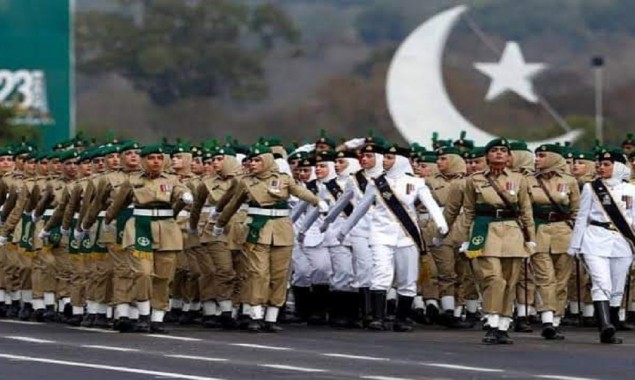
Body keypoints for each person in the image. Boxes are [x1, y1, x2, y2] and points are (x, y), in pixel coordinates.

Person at [336, 144, 448, 332]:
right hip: (380, 234)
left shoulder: (417, 183)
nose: (385, 161)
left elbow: (431, 205)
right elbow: (360, 209)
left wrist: (441, 224)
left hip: (406, 236)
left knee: (407, 278)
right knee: (381, 273)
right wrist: (344, 229)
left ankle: (401, 319)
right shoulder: (376, 184)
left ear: (401, 161)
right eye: (385, 157)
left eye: (390, 158)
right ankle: (378, 318)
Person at [214, 145, 324, 332]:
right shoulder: (246, 182)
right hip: (258, 229)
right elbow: (233, 205)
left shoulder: (283, 179)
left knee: (279, 274)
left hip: (282, 230)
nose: (253, 164)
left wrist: (317, 201)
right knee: (257, 273)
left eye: (258, 160)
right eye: (251, 161)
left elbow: (299, 191)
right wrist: (219, 223)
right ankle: (255, 315)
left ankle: (271, 316)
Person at [103, 144, 193, 333]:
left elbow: (180, 192)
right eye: (151, 158)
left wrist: (185, 196)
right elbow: (118, 204)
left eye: (159, 158)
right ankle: (143, 314)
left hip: (167, 230)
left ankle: (157, 317)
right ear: (144, 160)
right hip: (140, 227)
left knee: (163, 276)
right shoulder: (133, 181)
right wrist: (108, 221)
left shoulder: (171, 179)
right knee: (142, 273)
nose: (156, 162)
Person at [461, 138, 536, 345]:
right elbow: (468, 210)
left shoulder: (519, 179)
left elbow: (526, 210)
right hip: (486, 231)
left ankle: (503, 324)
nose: (499, 154)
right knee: (494, 279)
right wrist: (465, 238)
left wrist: (531, 238)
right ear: (487, 156)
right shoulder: (474, 180)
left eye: (503, 150)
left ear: (509, 156)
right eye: (494, 150)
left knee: (511, 281)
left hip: (512, 231)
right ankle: (492, 321)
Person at [568, 148, 635, 344]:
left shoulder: (631, 189)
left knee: (617, 286)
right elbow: (582, 218)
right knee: (601, 283)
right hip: (595, 239)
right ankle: (604, 325)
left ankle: (612, 323)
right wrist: (575, 245)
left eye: (607, 164)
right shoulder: (592, 188)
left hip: (622, 242)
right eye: (599, 164)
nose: (601, 167)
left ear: (619, 166)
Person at [528, 144, 580, 340]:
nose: (537, 159)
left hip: (563, 233)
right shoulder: (529, 180)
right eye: (536, 156)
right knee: (545, 278)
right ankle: (547, 319)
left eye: (542, 156)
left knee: (561, 279)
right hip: (539, 231)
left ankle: (557, 319)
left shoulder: (569, 181)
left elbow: (576, 210)